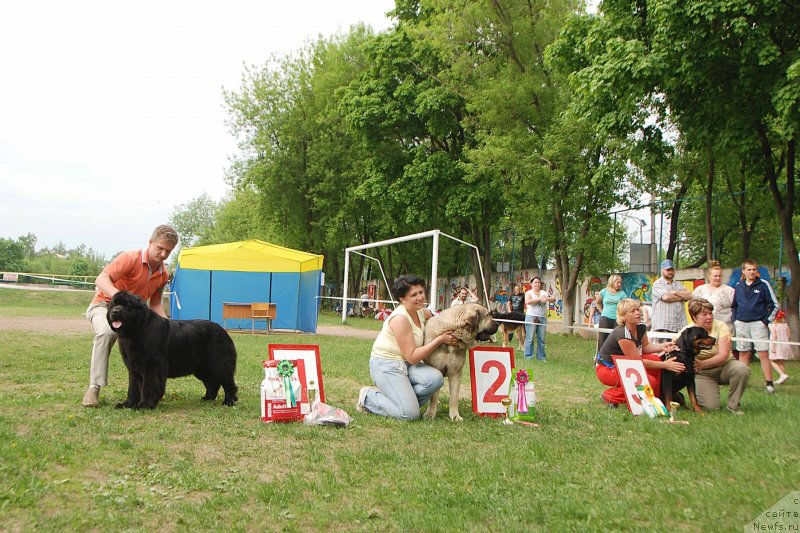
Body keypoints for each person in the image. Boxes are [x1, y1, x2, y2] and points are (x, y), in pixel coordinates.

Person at [82, 224, 179, 407]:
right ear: (150, 242)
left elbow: (155, 303)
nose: (163, 254)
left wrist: (169, 326)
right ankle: (94, 388)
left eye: (168, 251)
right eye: (160, 248)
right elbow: (101, 279)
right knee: (107, 333)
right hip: (105, 305)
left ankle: (143, 393)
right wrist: (119, 298)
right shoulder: (129, 258)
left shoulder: (163, 274)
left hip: (133, 314)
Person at [356, 274, 458, 420]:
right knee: (408, 414)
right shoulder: (400, 319)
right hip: (387, 365)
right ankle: (368, 397)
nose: (420, 297)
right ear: (402, 299)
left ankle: (402, 401)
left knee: (436, 379)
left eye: (421, 292)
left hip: (407, 365)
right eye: (414, 295)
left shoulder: (421, 312)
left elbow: (439, 318)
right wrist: (440, 340)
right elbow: (413, 356)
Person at [595, 298, 683, 407]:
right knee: (649, 383)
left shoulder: (641, 327)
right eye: (632, 311)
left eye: (637, 309)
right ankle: (609, 396)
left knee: (655, 359)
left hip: (625, 364)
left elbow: (645, 347)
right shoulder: (623, 334)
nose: (637, 313)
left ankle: (653, 399)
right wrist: (665, 365)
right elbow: (637, 362)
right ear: (623, 316)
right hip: (607, 369)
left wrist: (662, 346)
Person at [686, 298, 750, 414]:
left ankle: (733, 406)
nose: (709, 317)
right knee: (711, 408)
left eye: (710, 313)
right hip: (703, 374)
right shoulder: (687, 332)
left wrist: (702, 364)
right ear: (694, 317)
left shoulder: (721, 326)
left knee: (742, 369)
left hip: (725, 366)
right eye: (704, 314)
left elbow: (723, 355)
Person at [732, 259, 780, 393]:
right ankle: (741, 383)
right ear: (743, 271)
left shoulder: (763, 285)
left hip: (758, 324)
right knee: (743, 353)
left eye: (754, 269)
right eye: (749, 270)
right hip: (741, 324)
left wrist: (765, 321)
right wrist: (735, 319)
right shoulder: (738, 286)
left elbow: (774, 305)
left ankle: (769, 384)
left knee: (763, 353)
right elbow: (734, 305)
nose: (752, 272)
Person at [650, 259, 693, 341]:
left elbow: (689, 295)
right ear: (662, 270)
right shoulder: (657, 284)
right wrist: (681, 296)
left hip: (679, 326)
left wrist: (675, 292)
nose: (670, 272)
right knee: (661, 349)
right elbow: (666, 297)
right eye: (668, 270)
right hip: (663, 326)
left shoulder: (678, 284)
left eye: (672, 269)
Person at [524, 277, 556, 362]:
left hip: (542, 317)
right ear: (531, 284)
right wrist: (539, 299)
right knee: (530, 338)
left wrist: (547, 299)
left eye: (539, 282)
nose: (537, 284)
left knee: (541, 339)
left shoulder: (544, 292)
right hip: (531, 317)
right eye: (535, 282)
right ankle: (528, 357)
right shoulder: (528, 293)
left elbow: (553, 299)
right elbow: (527, 301)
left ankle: (541, 357)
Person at [596, 274, 627, 351]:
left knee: (615, 339)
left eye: (620, 283)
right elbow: (597, 303)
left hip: (617, 319)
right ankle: (600, 356)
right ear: (612, 282)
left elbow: (625, 306)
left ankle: (613, 356)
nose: (619, 284)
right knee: (602, 338)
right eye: (617, 282)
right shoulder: (604, 291)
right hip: (605, 318)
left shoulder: (622, 294)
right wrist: (602, 312)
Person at [768, 310, 793, 385]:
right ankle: (782, 378)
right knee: (780, 361)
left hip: (776, 345)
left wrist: (772, 347)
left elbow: (774, 336)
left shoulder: (773, 326)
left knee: (771, 360)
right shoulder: (785, 325)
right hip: (784, 345)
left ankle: (782, 374)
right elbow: (789, 336)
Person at [501, 284, 526, 349]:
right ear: (515, 289)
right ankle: (508, 340)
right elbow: (509, 303)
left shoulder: (523, 295)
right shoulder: (512, 296)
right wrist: (510, 310)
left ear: (520, 289)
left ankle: (522, 344)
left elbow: (526, 303)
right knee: (511, 328)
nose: (517, 290)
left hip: (520, 314)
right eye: (516, 289)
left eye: (518, 289)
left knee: (521, 330)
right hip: (513, 314)